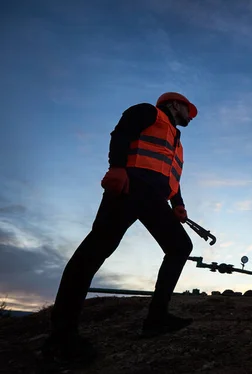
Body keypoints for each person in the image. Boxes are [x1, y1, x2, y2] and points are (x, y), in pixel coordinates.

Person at [40, 92, 199, 367]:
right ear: (174, 104)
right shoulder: (149, 112)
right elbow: (121, 133)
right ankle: (61, 338)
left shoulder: (175, 139)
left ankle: (156, 318)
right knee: (95, 250)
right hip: (131, 186)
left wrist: (179, 203)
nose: (191, 116)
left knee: (180, 247)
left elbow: (169, 174)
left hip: (152, 196)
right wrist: (117, 169)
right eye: (188, 110)